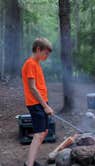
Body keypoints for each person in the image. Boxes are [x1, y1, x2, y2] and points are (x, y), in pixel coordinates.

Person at [22, 37, 54, 166]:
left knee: (43, 132)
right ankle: (29, 164)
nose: (46, 56)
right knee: (39, 133)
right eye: (45, 53)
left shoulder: (37, 64)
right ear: (38, 49)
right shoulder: (30, 63)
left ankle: (29, 162)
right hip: (35, 103)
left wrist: (46, 104)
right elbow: (32, 88)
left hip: (41, 103)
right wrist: (45, 106)